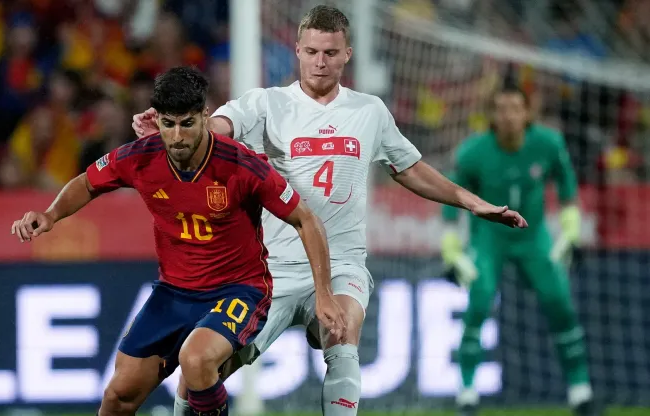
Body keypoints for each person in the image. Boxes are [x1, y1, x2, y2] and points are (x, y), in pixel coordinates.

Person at [132, 6, 527, 415]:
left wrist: (472, 202)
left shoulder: (369, 111)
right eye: (312, 51)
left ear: (347, 54)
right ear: (298, 51)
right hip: (271, 270)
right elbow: (217, 128)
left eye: (331, 53)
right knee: (205, 365)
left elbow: (408, 168)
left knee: (343, 335)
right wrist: (173, 132)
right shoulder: (267, 104)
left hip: (342, 264)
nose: (321, 62)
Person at [10, 66, 347, 416]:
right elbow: (88, 182)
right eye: (169, 124)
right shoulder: (141, 157)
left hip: (237, 290)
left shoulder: (242, 166)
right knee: (117, 397)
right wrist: (50, 215)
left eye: (187, 123)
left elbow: (307, 221)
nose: (177, 136)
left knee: (195, 359)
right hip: (173, 293)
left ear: (205, 116)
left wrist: (323, 292)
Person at [441, 85, 597, 416]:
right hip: (489, 239)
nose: (508, 115)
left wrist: (571, 231)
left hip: (534, 238)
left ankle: (581, 393)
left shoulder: (549, 144)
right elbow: (452, 200)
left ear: (527, 112)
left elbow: (567, 188)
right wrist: (451, 247)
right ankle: (467, 395)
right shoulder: (472, 153)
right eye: (501, 108)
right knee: (478, 304)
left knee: (560, 304)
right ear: (491, 114)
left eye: (515, 108)